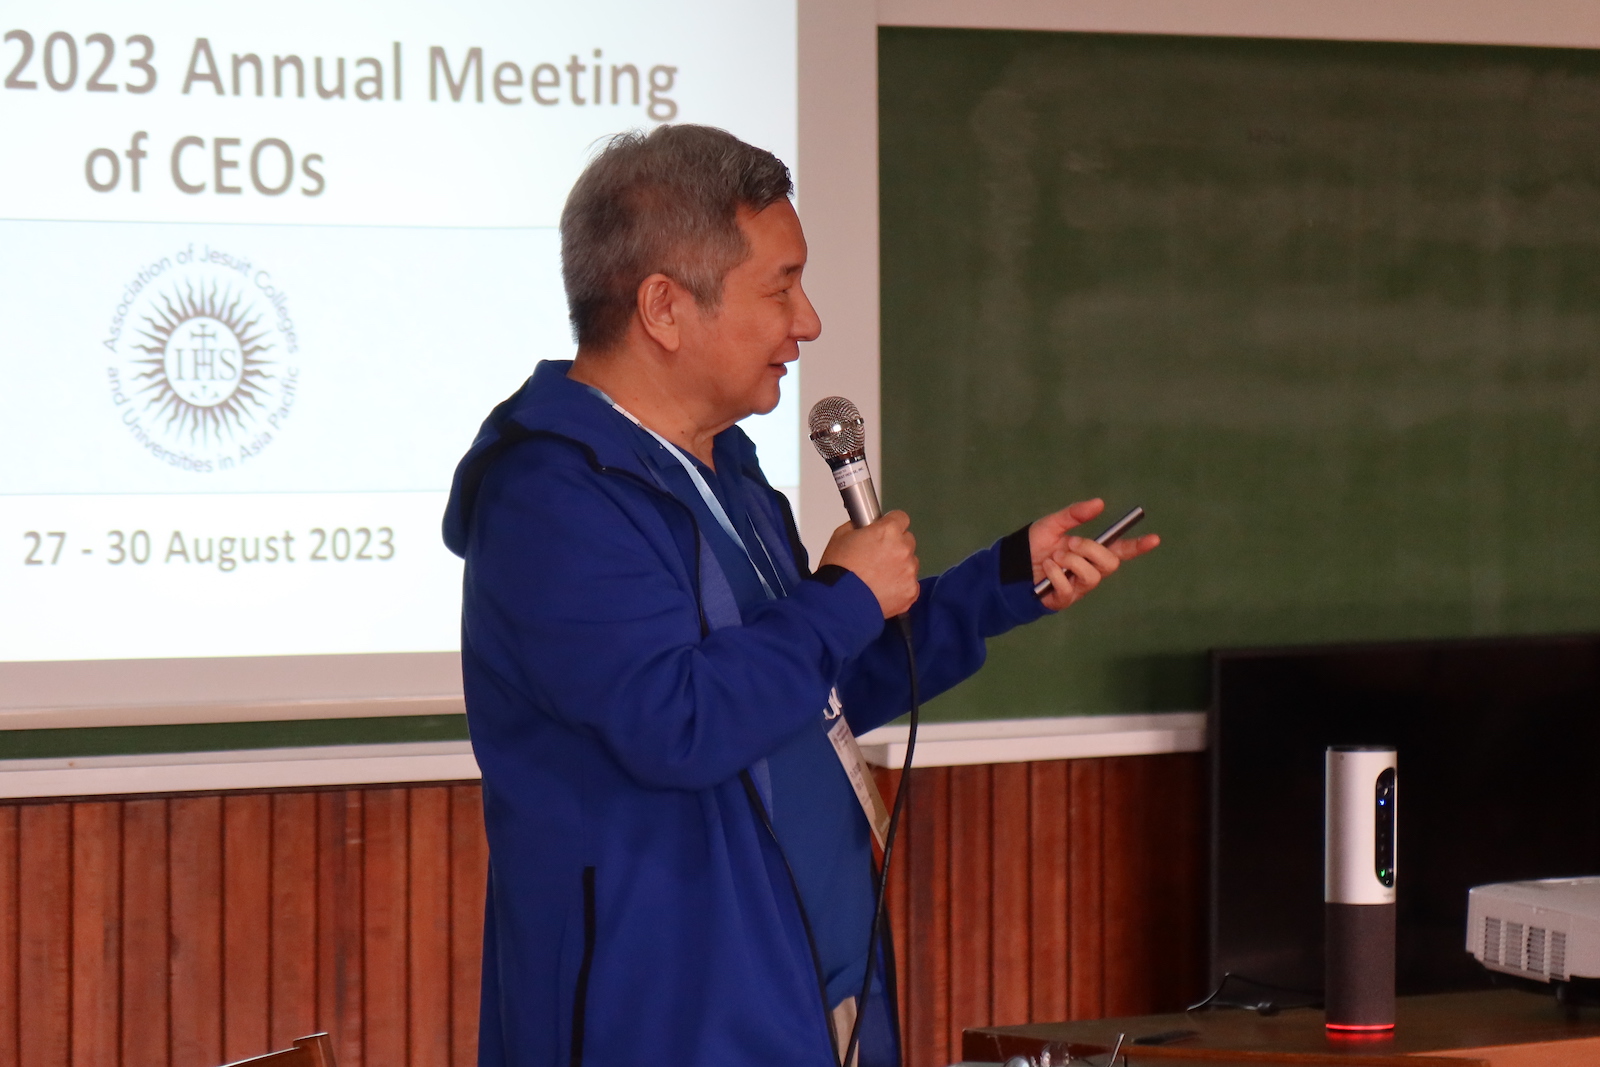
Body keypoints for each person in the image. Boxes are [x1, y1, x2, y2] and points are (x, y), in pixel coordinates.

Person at [442, 124, 1158, 1067]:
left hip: (812, 990)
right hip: (671, 1019)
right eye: (780, 287)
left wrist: (1000, 583)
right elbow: (677, 721)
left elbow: (811, 689)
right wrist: (842, 596)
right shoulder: (553, 495)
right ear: (664, 306)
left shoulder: (728, 471)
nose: (808, 322)